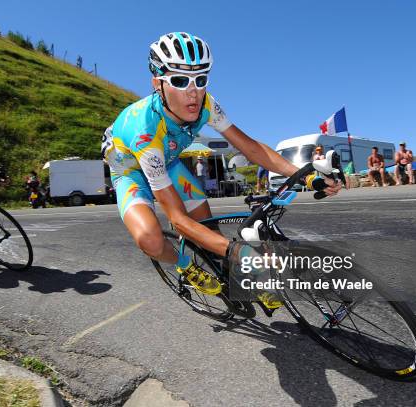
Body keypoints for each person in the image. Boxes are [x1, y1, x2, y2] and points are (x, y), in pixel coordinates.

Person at [101, 32, 341, 308]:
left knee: (208, 230)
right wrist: (239, 251)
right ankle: (185, 267)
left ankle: (236, 276)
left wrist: (306, 175)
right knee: (151, 239)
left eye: (200, 80)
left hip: (168, 161)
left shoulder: (205, 104)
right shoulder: (144, 131)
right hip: (132, 170)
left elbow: (250, 147)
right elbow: (178, 220)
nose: (193, 91)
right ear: (157, 83)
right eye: (180, 81)